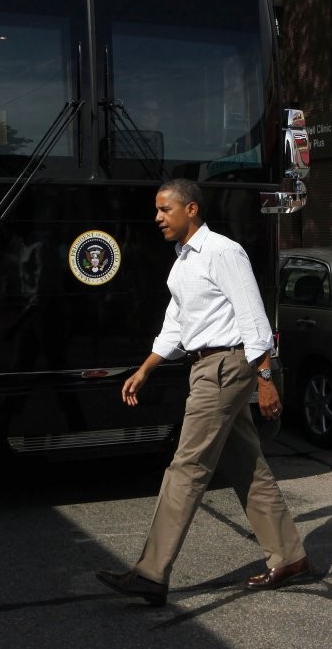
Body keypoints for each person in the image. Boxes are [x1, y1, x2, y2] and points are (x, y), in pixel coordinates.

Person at [96, 179, 308, 606]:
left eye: (165, 209)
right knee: (246, 463)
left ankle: (151, 573)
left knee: (186, 467)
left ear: (191, 209)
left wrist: (265, 380)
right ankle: (290, 557)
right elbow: (176, 324)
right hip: (204, 366)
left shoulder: (222, 252)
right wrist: (145, 369)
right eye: (157, 210)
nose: (157, 218)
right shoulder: (182, 262)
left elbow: (253, 317)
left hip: (225, 367)